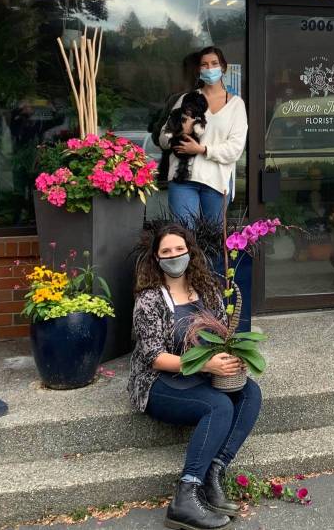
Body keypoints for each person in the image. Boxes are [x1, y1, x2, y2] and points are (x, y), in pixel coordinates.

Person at [127, 222, 262, 530]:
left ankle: (214, 472)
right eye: (166, 251)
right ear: (156, 258)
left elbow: (223, 335)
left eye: (179, 249)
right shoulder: (150, 299)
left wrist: (233, 358)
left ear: (190, 252)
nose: (174, 256)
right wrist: (206, 366)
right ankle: (185, 496)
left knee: (249, 392)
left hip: (198, 375)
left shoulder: (208, 289)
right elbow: (154, 358)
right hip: (159, 383)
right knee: (219, 406)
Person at [159, 47, 248, 228]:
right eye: (204, 65)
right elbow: (163, 138)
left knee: (213, 241)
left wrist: (202, 149)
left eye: (214, 64)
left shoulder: (236, 105)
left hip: (216, 181)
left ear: (223, 67)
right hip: (183, 178)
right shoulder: (186, 99)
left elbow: (236, 148)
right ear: (199, 70)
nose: (210, 68)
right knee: (184, 237)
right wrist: (180, 131)